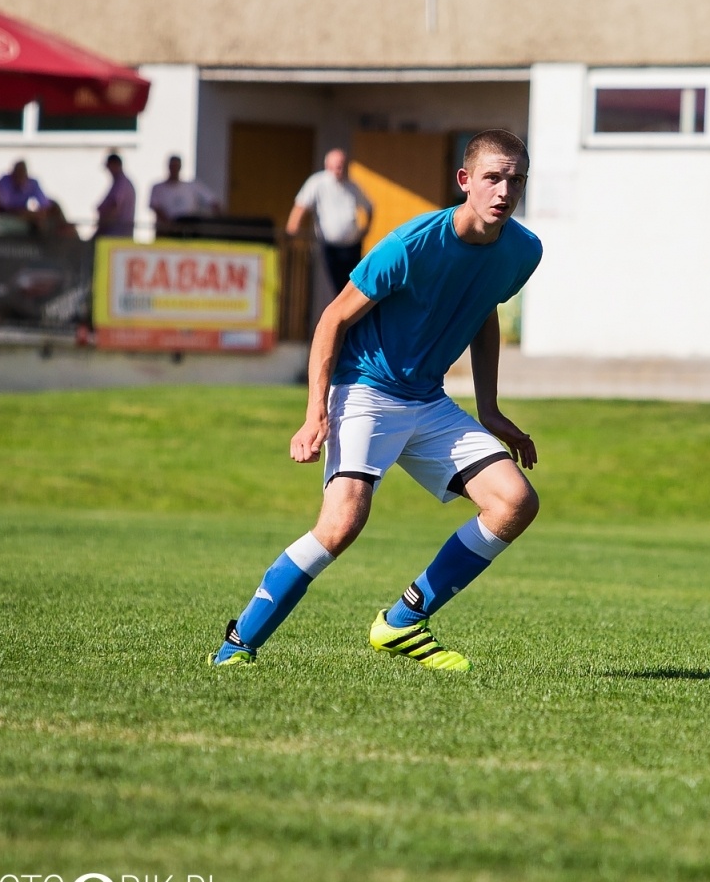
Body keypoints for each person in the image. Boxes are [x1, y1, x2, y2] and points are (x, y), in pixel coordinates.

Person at [209, 130, 543, 671]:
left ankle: (403, 622)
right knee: (341, 525)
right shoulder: (411, 244)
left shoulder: (523, 250)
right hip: (366, 388)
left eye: (516, 179)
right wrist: (315, 411)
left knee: (514, 503)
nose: (504, 190)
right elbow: (333, 318)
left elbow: (484, 312)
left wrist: (489, 408)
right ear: (464, 181)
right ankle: (236, 646)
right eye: (492, 177)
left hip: (428, 401)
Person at [288, 148, 374, 296]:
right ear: (328, 165)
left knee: (353, 286)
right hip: (330, 246)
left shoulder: (352, 186)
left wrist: (365, 230)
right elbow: (301, 206)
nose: (340, 169)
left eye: (342, 165)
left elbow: (369, 208)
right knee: (337, 286)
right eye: (336, 165)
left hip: (352, 246)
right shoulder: (317, 182)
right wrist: (292, 230)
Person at [147, 155, 220, 224]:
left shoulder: (193, 186)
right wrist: (170, 225)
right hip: (166, 230)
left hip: (189, 228)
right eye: (172, 166)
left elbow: (213, 202)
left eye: (176, 166)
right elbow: (156, 207)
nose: (174, 169)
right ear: (169, 167)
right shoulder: (158, 188)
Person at [95, 153, 137, 238]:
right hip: (115, 234)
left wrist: (100, 229)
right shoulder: (120, 183)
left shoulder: (121, 184)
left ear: (115, 165)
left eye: (109, 167)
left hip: (115, 235)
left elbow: (114, 207)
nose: (108, 171)